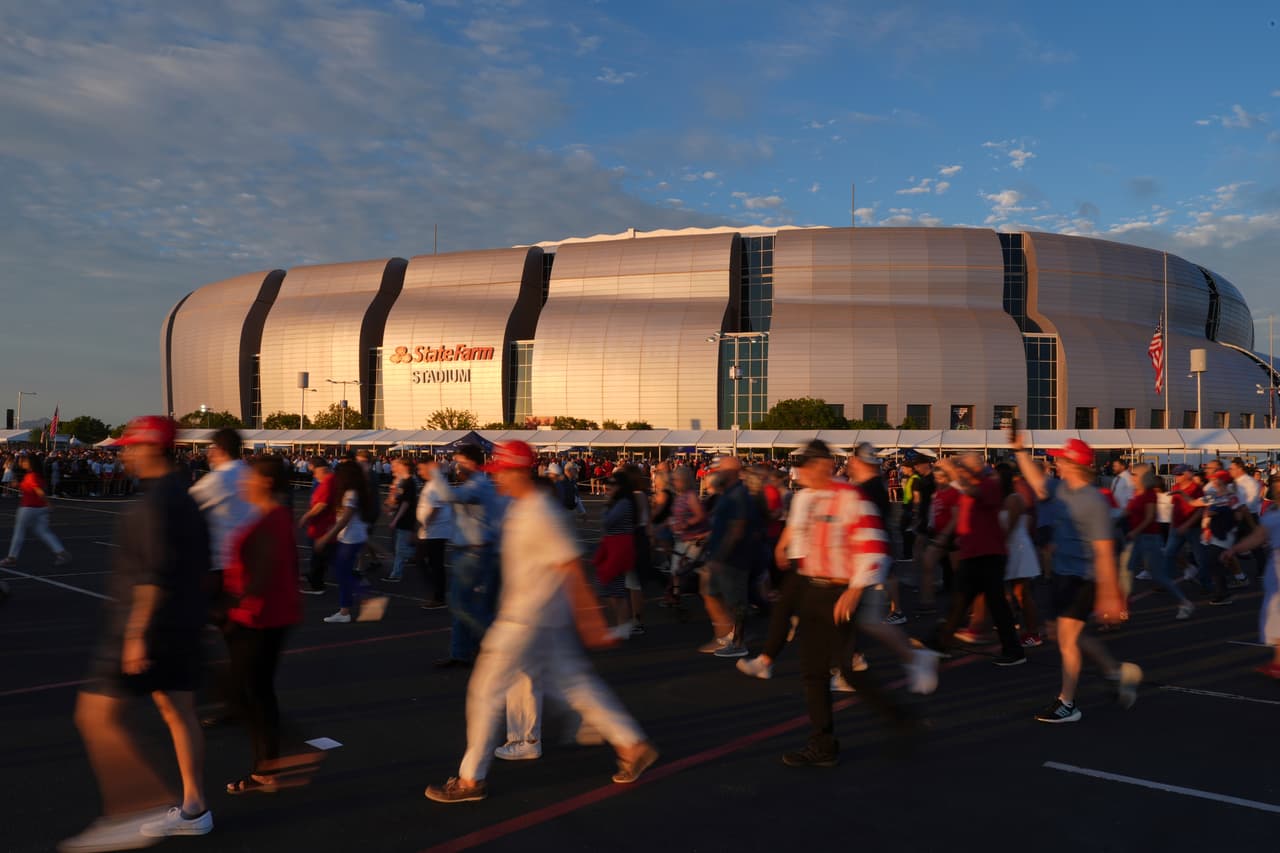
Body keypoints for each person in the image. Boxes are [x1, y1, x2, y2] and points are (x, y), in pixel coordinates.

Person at [424, 441, 658, 803]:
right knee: (576, 685)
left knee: (485, 693)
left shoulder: (538, 512)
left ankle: (470, 780)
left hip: (525, 620)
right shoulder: (525, 507)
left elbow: (570, 566)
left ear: (517, 471)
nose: (497, 478)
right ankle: (631, 744)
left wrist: (592, 622)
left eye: (501, 472)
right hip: (543, 619)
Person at [60, 417, 214, 851]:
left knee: (94, 717)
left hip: (149, 627)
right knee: (179, 712)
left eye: (131, 446)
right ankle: (194, 807)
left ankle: (136, 806)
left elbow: (153, 575)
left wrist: (134, 636)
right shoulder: (185, 497)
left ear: (152, 449)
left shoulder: (154, 504)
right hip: (183, 625)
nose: (125, 454)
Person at [781, 439, 928, 768]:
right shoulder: (806, 498)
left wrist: (855, 589)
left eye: (807, 466)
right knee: (814, 671)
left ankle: (899, 718)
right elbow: (801, 543)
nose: (801, 473)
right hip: (814, 588)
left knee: (846, 668)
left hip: (840, 591)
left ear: (822, 465)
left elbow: (874, 547)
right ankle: (823, 743)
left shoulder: (851, 497)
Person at [1011, 436, 1142, 723]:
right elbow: (1037, 481)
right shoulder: (1061, 488)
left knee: (1067, 641)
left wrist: (1109, 595)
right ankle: (1115, 672)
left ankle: (1067, 703)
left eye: (1060, 459)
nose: (1055, 462)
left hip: (1083, 578)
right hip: (1062, 573)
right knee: (1066, 635)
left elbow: (1104, 551)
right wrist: (1019, 451)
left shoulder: (1094, 501)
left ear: (1072, 464)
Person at [221, 456, 303, 793]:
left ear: (266, 481)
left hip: (259, 618)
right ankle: (267, 762)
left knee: (249, 692)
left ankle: (268, 763)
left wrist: (238, 604)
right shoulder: (272, 516)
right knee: (252, 691)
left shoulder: (273, 519)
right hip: (261, 615)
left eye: (248, 477)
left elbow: (266, 571)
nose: (243, 483)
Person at [931, 453, 1026, 666]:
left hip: (988, 554)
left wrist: (952, 470)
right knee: (960, 601)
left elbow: (972, 493)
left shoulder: (989, 484)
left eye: (963, 466)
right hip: (974, 553)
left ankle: (1013, 650)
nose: (960, 469)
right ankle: (940, 645)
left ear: (975, 468)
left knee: (995, 604)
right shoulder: (971, 486)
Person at [431, 444, 505, 667]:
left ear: (471, 462)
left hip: (475, 551)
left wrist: (436, 473)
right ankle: (464, 651)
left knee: (463, 605)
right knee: (469, 605)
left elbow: (449, 496)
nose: (456, 466)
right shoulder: (478, 483)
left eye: (459, 461)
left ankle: (495, 645)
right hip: (474, 549)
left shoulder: (478, 484)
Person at [1223, 473, 1280, 679]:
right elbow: (1258, 537)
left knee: (1275, 612)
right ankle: (1277, 663)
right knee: (1275, 612)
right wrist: (1235, 549)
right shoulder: (1272, 513)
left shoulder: (1273, 514)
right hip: (1276, 565)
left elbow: (1257, 537)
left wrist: (1233, 549)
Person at [1124, 464, 1194, 619]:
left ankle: (1185, 602)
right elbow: (1128, 511)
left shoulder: (1149, 494)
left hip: (1149, 538)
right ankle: (1123, 608)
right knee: (1126, 572)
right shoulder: (1136, 492)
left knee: (1158, 576)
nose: (1132, 477)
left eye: (1134, 474)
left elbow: (1150, 517)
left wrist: (1134, 531)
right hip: (1138, 538)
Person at [701, 457, 754, 658]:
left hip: (733, 558)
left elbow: (736, 529)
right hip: (722, 556)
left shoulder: (738, 494)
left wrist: (721, 556)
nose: (718, 472)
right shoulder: (729, 493)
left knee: (736, 601)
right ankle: (730, 633)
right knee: (713, 593)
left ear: (731, 471)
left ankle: (739, 642)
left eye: (721, 469)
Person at [312, 460, 376, 623]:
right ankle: (352, 606)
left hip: (350, 538)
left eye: (338, 473)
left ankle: (352, 605)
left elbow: (345, 519)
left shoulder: (351, 493)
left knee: (343, 574)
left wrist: (326, 537)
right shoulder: (353, 491)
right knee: (343, 572)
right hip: (350, 537)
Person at [1, 453, 71, 568]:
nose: (23, 463)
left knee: (19, 531)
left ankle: (12, 557)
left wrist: (48, 503)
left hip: (28, 507)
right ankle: (61, 552)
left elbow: (39, 491)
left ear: (31, 463)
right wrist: (18, 484)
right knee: (43, 531)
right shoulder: (36, 475)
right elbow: (33, 488)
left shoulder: (31, 476)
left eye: (25, 461)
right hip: (40, 508)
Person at [415, 457, 452, 610]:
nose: (419, 472)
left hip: (435, 531)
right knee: (429, 562)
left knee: (433, 563)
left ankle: (439, 595)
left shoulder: (436, 484)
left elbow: (435, 508)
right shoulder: (431, 483)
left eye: (421, 469)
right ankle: (438, 592)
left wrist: (425, 525)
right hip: (431, 531)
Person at [297, 458, 335, 595]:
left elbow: (321, 504)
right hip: (322, 526)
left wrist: (306, 516)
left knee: (319, 556)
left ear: (321, 469)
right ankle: (314, 577)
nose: (313, 475)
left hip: (322, 526)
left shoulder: (327, 483)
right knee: (320, 556)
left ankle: (316, 585)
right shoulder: (329, 481)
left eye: (314, 472)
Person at [382, 458, 418, 583]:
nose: (394, 468)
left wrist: (396, 519)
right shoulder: (402, 482)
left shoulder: (409, 482)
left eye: (396, 465)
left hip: (405, 518)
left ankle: (396, 574)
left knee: (401, 548)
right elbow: (397, 500)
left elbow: (405, 503)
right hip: (401, 518)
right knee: (400, 547)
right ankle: (398, 570)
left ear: (404, 466)